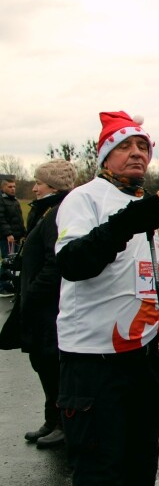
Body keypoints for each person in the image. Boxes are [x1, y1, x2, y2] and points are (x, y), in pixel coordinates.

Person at [55, 111, 159, 486]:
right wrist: (125, 223)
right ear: (104, 155)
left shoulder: (142, 203)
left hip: (142, 356)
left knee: (139, 458)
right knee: (99, 471)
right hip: (93, 360)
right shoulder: (83, 199)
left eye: (143, 147)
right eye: (125, 147)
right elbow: (74, 262)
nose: (137, 154)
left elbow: (134, 273)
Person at [19, 159, 76, 449]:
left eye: (38, 182)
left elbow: (55, 263)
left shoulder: (57, 213)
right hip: (40, 303)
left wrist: (33, 292)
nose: (34, 186)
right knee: (41, 361)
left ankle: (64, 424)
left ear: (52, 185)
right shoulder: (44, 211)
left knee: (52, 362)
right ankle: (51, 419)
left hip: (49, 304)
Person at [0, 177, 26, 296]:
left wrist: (24, 233)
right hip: (6, 238)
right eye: (10, 187)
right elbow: (1, 220)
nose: (13, 189)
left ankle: (11, 284)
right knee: (7, 261)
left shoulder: (14, 201)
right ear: (3, 187)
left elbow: (19, 220)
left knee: (15, 262)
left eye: (14, 186)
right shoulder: (1, 200)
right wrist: (8, 234)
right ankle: (2, 287)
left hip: (16, 237)